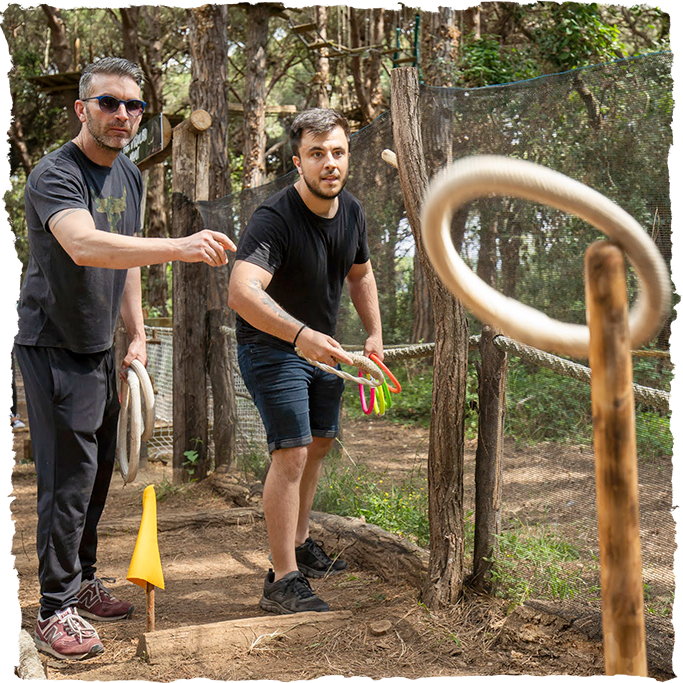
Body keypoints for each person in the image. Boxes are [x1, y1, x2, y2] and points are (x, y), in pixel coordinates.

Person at [14, 57, 235, 661]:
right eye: (108, 103)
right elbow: (85, 246)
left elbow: (126, 260)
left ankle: (83, 582)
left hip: (103, 346)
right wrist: (181, 247)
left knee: (100, 469)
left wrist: (134, 334)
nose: (122, 115)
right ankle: (53, 608)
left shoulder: (131, 174)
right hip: (52, 343)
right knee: (67, 478)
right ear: (82, 109)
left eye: (133, 106)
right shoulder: (55, 174)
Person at [228, 108, 384, 615]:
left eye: (338, 152)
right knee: (291, 453)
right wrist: (299, 335)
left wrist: (375, 334)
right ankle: (282, 579)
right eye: (317, 154)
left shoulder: (353, 213)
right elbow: (241, 291)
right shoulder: (274, 218)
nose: (330, 163)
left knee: (318, 445)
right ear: (298, 162)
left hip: (325, 349)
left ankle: (299, 544)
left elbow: (360, 275)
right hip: (271, 347)